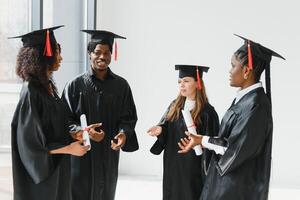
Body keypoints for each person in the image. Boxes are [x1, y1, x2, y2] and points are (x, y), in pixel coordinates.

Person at [178, 34, 285, 200]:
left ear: (246, 71)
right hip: (227, 184)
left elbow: (234, 148)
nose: (229, 70)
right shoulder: (245, 99)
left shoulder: (256, 105)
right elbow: (231, 141)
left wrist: (202, 140)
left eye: (233, 65)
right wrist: (201, 141)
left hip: (235, 189)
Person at [10, 26, 89, 200]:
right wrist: (69, 148)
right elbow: (29, 144)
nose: (60, 57)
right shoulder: (31, 91)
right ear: (43, 55)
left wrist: (73, 134)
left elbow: (53, 128)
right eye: (57, 52)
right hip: (41, 178)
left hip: (57, 169)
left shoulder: (49, 89)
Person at [62, 30, 139, 200]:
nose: (102, 57)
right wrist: (83, 132)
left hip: (108, 155)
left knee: (106, 193)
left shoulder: (121, 86)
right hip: (82, 154)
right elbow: (64, 119)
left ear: (112, 54)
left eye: (106, 52)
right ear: (89, 54)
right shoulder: (74, 85)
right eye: (97, 52)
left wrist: (123, 134)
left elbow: (128, 118)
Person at [148, 65, 219, 200]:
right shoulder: (175, 105)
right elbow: (166, 126)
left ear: (198, 83)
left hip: (193, 166)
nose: (182, 85)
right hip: (173, 162)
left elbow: (212, 142)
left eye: (186, 81)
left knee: (190, 193)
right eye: (179, 82)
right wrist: (160, 130)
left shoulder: (208, 112)